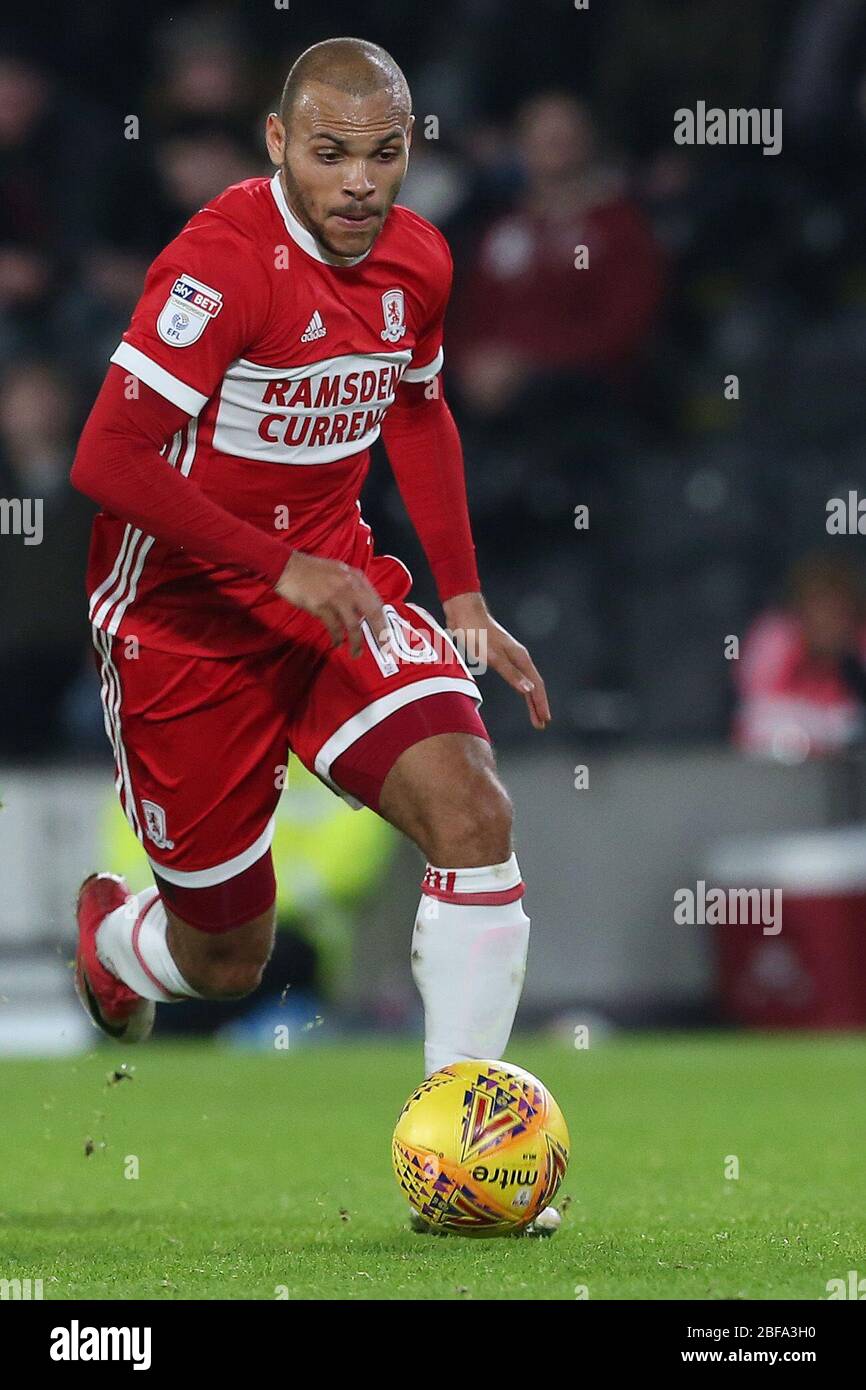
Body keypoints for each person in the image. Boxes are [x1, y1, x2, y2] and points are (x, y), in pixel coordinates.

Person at [70, 39, 550, 1121]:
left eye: (383, 156)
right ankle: (113, 941)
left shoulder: (417, 259)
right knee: (229, 955)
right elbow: (105, 458)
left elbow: (418, 407)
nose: (358, 183)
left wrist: (462, 594)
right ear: (280, 142)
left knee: (474, 816)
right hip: (184, 624)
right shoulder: (221, 264)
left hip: (337, 590)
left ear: (409, 150)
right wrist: (275, 566)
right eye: (330, 154)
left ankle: (460, 1141)